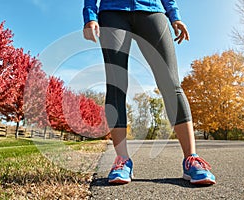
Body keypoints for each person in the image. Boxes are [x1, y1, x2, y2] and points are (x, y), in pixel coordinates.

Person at [82, 0, 216, 185]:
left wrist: (174, 16)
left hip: (151, 10)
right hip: (112, 12)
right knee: (116, 84)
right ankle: (122, 160)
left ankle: (191, 159)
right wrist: (89, 15)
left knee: (170, 83)